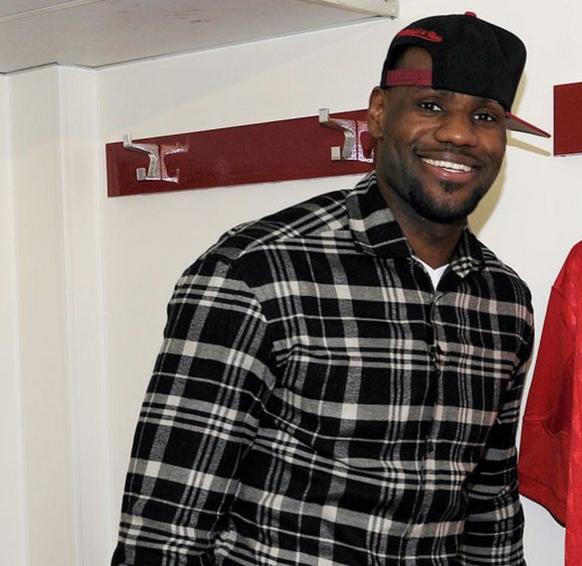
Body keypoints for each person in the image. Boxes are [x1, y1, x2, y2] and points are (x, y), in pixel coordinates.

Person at [112, 12, 548, 565]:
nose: (459, 134)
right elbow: (163, 532)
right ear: (379, 112)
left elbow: (490, 509)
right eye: (431, 105)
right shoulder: (257, 272)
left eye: (483, 116)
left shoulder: (504, 301)